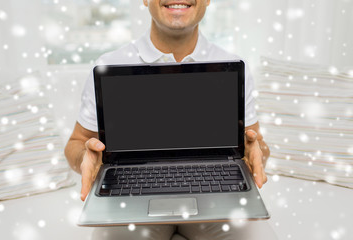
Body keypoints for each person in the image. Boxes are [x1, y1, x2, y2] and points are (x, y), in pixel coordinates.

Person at [65, 0, 271, 239]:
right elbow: (76, 143)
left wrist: (257, 154)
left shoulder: (233, 66)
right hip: (132, 193)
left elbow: (257, 145)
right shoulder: (109, 65)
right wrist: (84, 158)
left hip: (216, 197)